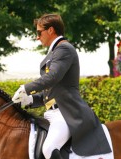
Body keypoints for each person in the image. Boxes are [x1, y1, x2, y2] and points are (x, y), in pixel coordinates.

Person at [12, 13, 112, 159]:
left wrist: (25, 88)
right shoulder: (54, 52)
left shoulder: (64, 49)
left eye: (39, 32)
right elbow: (51, 92)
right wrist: (30, 100)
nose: (37, 37)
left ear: (51, 30)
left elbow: (52, 78)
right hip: (52, 113)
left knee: (49, 148)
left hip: (66, 113)